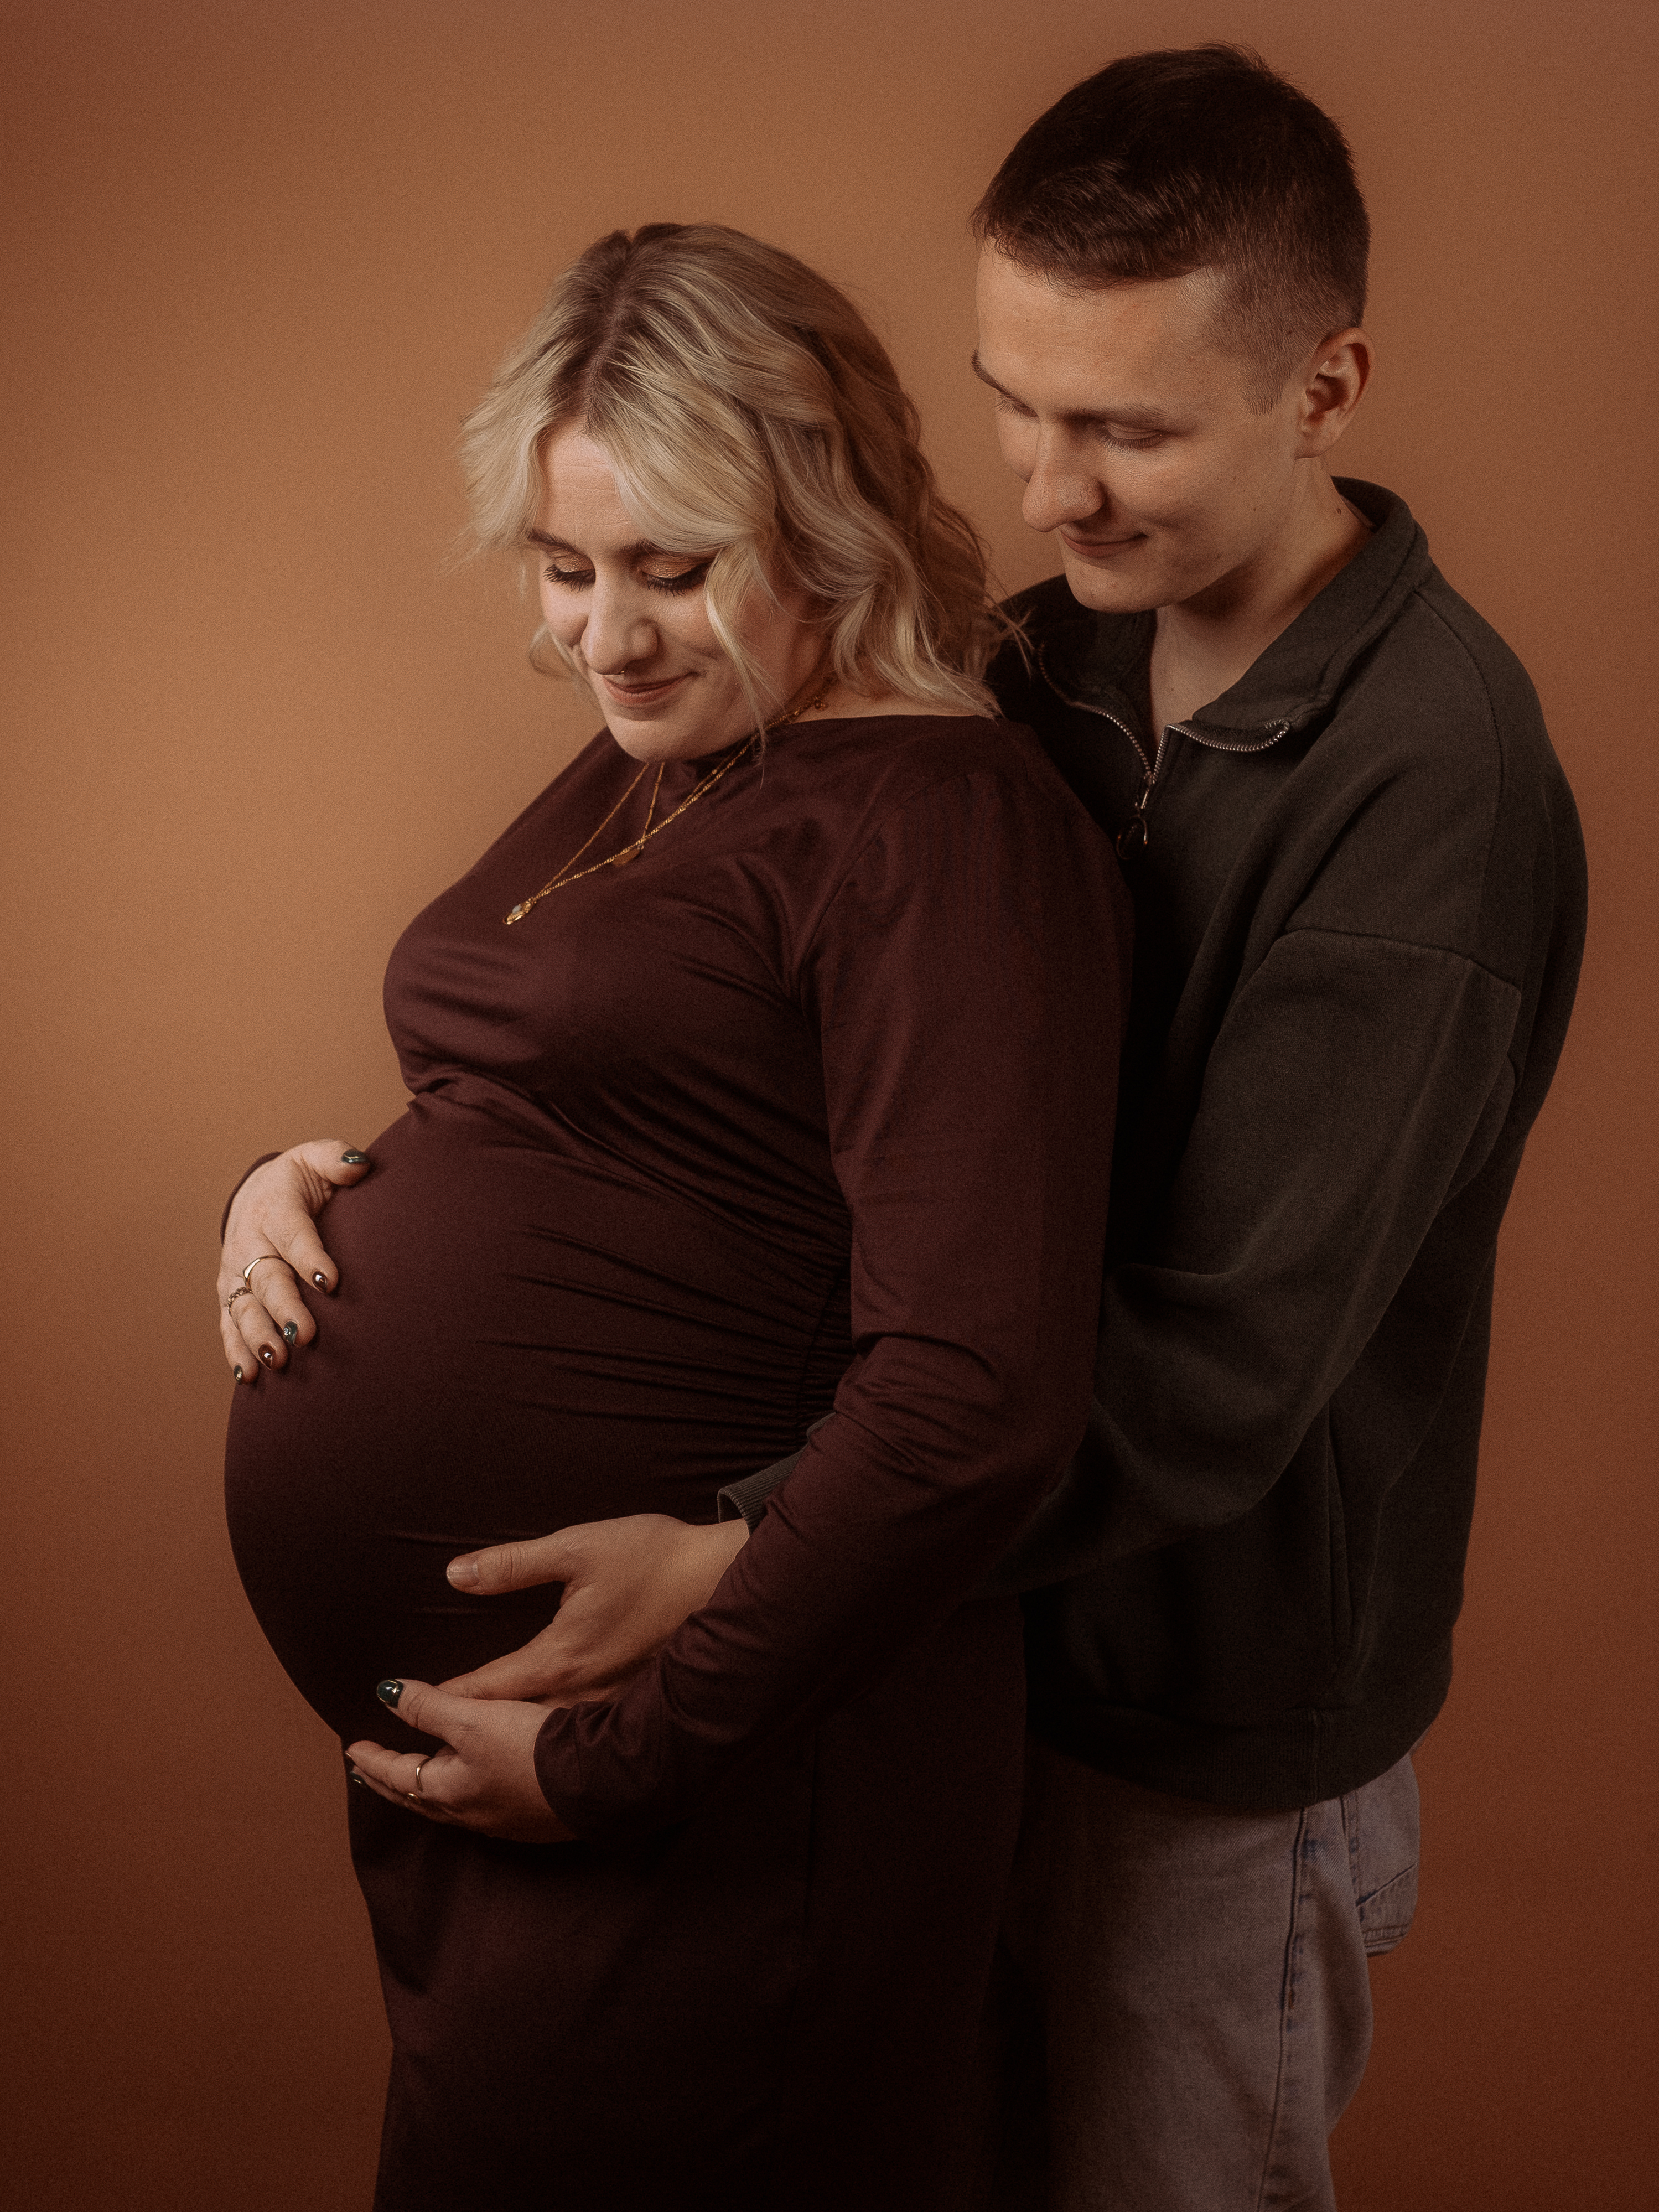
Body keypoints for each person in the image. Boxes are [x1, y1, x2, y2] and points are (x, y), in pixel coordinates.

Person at [242, 47, 1589, 2212]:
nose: (1049, 489)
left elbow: (1220, 1364)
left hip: (1194, 1718)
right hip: (950, 1636)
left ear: (1326, 390)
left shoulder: (1427, 791)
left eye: (1126, 429)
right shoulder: (1052, 664)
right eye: (1017, 406)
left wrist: (758, 1550)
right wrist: (322, 1181)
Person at [217, 221, 1131, 2212]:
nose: (603, 637)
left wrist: (624, 1761)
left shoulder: (945, 834)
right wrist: (292, 1187)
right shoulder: (695, 756)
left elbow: (977, 1393)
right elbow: (587, 1107)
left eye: (675, 567)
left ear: (833, 521)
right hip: (523, 1802)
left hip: (732, 1793)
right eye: (566, 567)